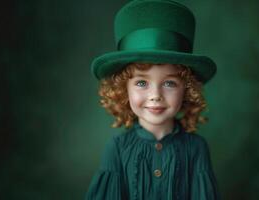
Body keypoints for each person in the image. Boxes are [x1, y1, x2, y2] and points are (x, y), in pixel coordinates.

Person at [86, 0, 220, 199]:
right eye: (141, 83)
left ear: (187, 89)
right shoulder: (117, 148)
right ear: (124, 90)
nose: (155, 95)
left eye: (169, 83)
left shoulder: (196, 148)